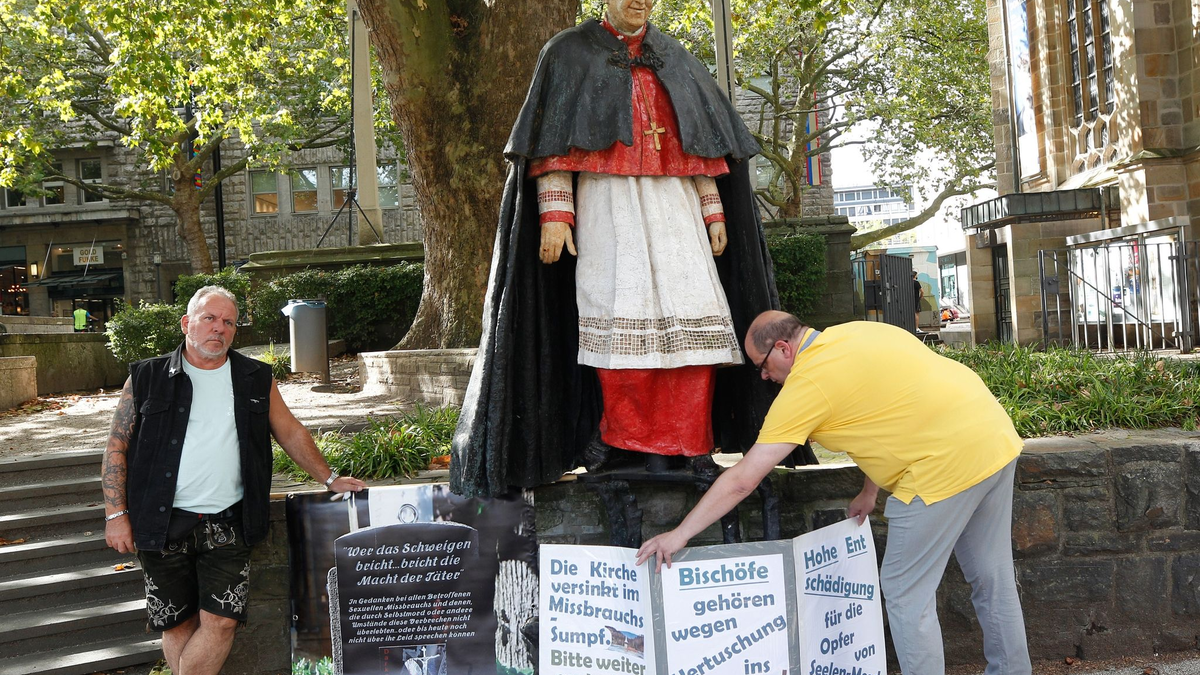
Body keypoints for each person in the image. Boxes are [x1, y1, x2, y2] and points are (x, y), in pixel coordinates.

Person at [451, 0, 796, 497]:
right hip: (606, 204)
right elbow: (552, 140)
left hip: (676, 212)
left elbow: (699, 141)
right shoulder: (567, 53)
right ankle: (624, 439)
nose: (640, 1)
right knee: (619, 320)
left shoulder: (674, 56)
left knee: (694, 318)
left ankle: (691, 441)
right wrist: (555, 212)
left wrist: (713, 209)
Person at [637, 311, 1031, 675]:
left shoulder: (808, 384)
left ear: (783, 349)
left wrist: (680, 534)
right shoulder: (858, 332)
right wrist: (869, 488)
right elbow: (896, 409)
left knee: (905, 593)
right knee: (991, 577)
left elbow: (743, 478)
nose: (763, 376)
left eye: (761, 366)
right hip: (992, 440)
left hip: (940, 470)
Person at [101, 286, 366, 675]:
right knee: (177, 622)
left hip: (229, 521)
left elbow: (290, 431)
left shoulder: (254, 377)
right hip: (161, 520)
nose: (219, 329)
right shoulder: (147, 376)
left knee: (223, 620)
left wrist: (329, 479)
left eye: (228, 322)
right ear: (187, 323)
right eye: (210, 318)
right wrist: (115, 513)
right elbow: (116, 447)